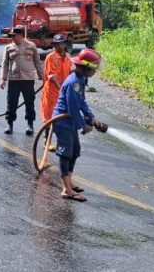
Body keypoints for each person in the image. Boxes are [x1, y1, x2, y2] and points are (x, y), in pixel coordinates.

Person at [51, 48, 103, 202]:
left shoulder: (81, 79)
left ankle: (69, 182)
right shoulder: (74, 82)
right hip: (63, 122)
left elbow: (82, 102)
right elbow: (73, 107)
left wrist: (91, 117)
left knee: (74, 152)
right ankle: (66, 190)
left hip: (70, 121)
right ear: (85, 67)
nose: (95, 72)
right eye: (93, 68)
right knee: (65, 154)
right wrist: (83, 125)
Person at [0, 26, 44, 135]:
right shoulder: (9, 47)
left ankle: (30, 125)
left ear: (20, 35)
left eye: (14, 36)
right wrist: (2, 78)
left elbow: (37, 61)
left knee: (29, 103)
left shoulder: (31, 46)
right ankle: (9, 124)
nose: (12, 38)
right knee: (11, 103)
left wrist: (42, 76)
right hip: (14, 79)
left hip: (28, 79)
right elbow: (5, 63)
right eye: (11, 36)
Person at [40, 34, 72, 127]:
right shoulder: (51, 57)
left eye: (61, 44)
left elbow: (70, 72)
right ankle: (47, 137)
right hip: (52, 91)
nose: (60, 46)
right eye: (57, 44)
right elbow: (52, 76)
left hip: (63, 90)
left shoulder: (68, 57)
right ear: (53, 45)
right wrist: (61, 89)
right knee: (49, 115)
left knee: (62, 114)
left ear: (65, 44)